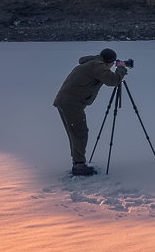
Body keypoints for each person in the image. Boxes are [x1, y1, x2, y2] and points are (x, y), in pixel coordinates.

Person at [53, 48, 128, 176]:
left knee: (75, 133)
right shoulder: (97, 66)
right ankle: (79, 166)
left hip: (66, 101)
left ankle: (78, 163)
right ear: (109, 61)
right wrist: (120, 69)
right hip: (71, 103)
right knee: (79, 133)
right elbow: (113, 81)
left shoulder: (94, 62)